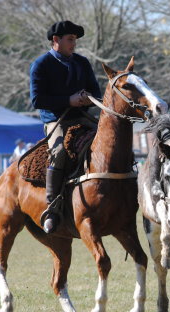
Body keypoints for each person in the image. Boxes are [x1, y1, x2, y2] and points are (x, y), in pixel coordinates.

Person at [30, 20, 102, 233]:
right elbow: (37, 100)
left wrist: (87, 98)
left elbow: (96, 93)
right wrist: (69, 100)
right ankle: (52, 208)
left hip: (82, 118)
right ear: (56, 40)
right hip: (55, 120)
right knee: (59, 152)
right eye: (70, 39)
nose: (74, 44)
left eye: (75, 40)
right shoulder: (41, 64)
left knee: (110, 141)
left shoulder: (83, 62)